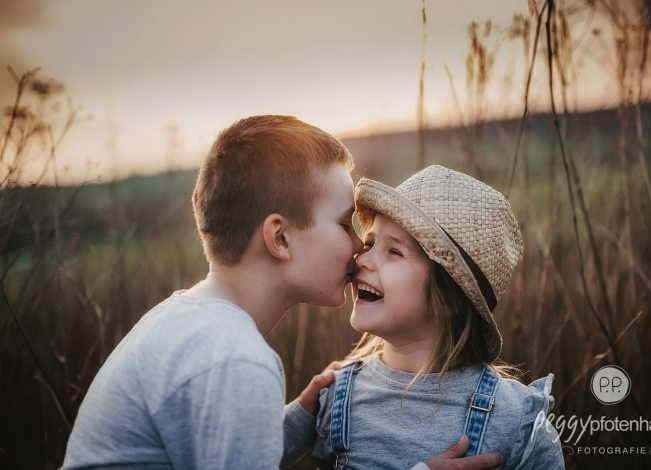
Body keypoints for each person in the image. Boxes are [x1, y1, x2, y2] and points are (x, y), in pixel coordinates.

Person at [61, 117, 503, 470]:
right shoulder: (236, 361)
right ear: (281, 239)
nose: (357, 246)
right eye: (345, 223)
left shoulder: (183, 321)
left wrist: (295, 425)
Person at [282, 165, 565, 470]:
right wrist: (296, 422)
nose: (362, 259)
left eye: (394, 252)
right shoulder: (336, 398)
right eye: (370, 243)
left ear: (446, 300)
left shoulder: (515, 421)